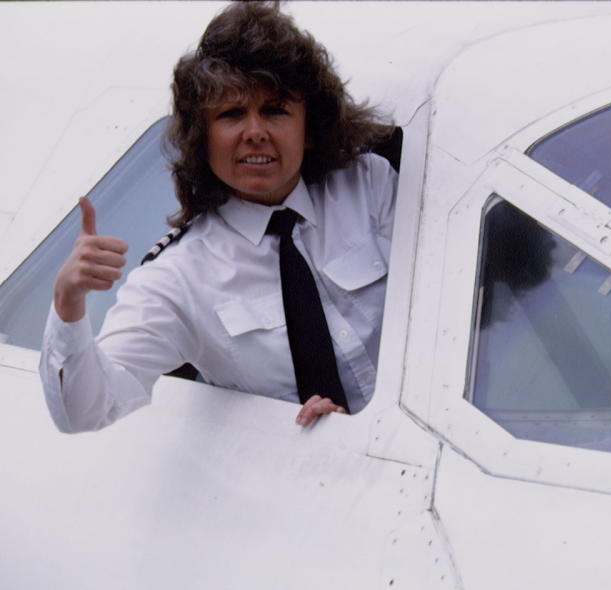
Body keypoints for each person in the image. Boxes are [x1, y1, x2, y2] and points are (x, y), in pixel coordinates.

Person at [40, 1, 398, 432]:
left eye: (275, 109)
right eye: (231, 114)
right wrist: (68, 302)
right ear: (200, 137)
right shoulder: (180, 276)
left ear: (308, 125)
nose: (255, 132)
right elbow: (85, 412)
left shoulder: (370, 186)